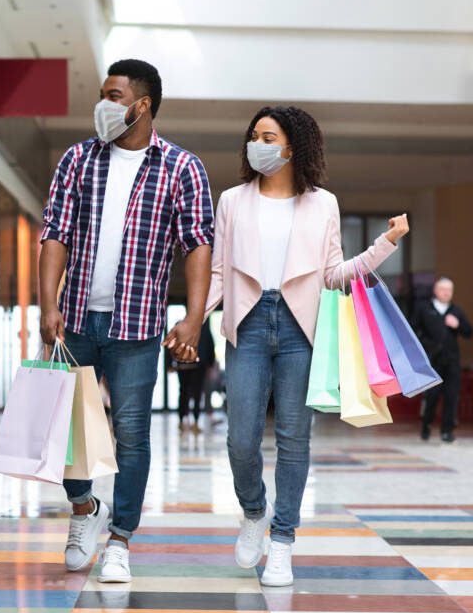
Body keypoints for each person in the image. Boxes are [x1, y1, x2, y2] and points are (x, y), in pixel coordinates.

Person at [199, 105, 408, 587]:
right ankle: (254, 510)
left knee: (295, 439)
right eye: (254, 136)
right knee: (240, 437)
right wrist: (194, 320)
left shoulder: (323, 203)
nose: (258, 144)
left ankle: (283, 541)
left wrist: (385, 243)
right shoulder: (231, 200)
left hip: (301, 328)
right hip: (247, 324)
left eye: (268, 137)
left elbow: (333, 274)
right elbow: (219, 272)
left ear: (292, 146)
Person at [39, 58, 214, 583]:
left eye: (113, 96)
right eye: (103, 94)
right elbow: (54, 234)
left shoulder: (182, 168)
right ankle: (84, 510)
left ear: (141, 105)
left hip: (137, 326)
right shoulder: (77, 160)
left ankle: (120, 541)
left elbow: (198, 244)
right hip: (75, 322)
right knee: (67, 430)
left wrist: (194, 317)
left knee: (132, 435)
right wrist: (48, 303)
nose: (103, 104)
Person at [414, 277, 472, 442]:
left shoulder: (456, 311)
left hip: (452, 362)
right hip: (432, 362)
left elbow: (468, 332)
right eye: (443, 289)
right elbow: (412, 330)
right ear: (435, 290)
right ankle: (426, 424)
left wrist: (458, 325)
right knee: (431, 396)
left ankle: (447, 431)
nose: (446, 293)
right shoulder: (424, 309)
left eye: (449, 290)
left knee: (451, 396)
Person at [174, 317, 216, 431]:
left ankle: (187, 421)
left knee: (187, 393)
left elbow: (210, 345)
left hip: (191, 365)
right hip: (191, 365)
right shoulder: (201, 327)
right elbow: (211, 345)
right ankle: (190, 422)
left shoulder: (183, 325)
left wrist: (209, 363)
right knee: (191, 393)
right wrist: (210, 363)